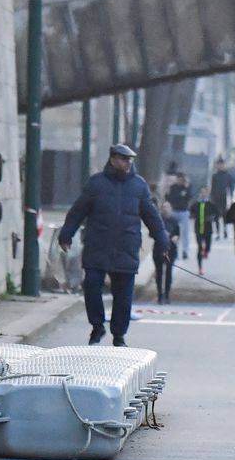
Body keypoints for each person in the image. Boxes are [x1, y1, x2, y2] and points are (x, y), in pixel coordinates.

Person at [58, 144, 170, 346]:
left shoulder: (139, 186)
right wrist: (66, 234)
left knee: (123, 296)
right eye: (124, 159)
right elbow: (78, 211)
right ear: (113, 159)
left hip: (126, 248)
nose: (128, 163)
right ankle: (97, 326)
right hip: (97, 245)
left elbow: (151, 215)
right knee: (91, 286)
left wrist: (162, 239)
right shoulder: (96, 184)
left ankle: (119, 335)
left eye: (130, 160)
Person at [153, 200, 180, 304]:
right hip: (158, 249)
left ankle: (167, 295)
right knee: (159, 273)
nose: (165, 209)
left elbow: (178, 234)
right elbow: (152, 234)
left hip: (171, 250)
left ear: (170, 208)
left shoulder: (174, 220)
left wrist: (175, 237)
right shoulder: (157, 220)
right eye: (163, 207)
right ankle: (160, 295)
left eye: (167, 207)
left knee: (168, 273)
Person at [189, 187, 220, 274]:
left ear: (207, 194)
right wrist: (192, 215)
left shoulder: (211, 204)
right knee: (199, 247)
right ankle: (200, 267)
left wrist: (212, 218)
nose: (203, 194)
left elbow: (217, 214)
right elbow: (191, 212)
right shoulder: (195, 204)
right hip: (198, 229)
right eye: (201, 192)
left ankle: (206, 251)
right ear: (200, 194)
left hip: (208, 229)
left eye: (205, 193)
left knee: (208, 246)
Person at [165, 173, 193, 260]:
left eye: (181, 179)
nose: (180, 181)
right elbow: (169, 198)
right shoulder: (173, 187)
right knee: (174, 232)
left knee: (185, 232)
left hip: (184, 212)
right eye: (178, 179)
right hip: (174, 212)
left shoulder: (187, 187)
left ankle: (185, 250)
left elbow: (189, 197)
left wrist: (187, 188)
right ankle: (174, 250)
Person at [210, 158, 235, 240]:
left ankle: (225, 231)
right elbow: (213, 188)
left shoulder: (228, 176)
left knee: (225, 215)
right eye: (219, 165)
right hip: (216, 197)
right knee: (216, 215)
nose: (220, 166)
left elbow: (231, 187)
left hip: (224, 197)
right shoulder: (215, 176)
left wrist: (231, 197)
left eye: (221, 165)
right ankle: (217, 232)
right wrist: (211, 197)